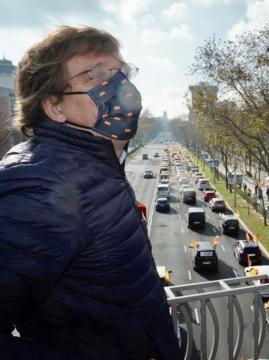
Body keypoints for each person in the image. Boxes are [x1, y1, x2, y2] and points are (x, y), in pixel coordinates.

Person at [0, 26, 180, 359]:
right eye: (93, 75)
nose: (119, 86)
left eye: (119, 72)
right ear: (54, 107)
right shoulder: (41, 187)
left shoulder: (93, 165)